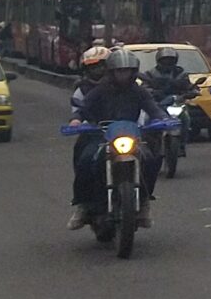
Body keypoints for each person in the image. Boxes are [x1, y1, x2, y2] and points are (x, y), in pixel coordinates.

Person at [66, 47, 165, 228]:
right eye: (119, 70)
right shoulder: (100, 90)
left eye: (126, 70)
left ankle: (144, 202)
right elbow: (83, 108)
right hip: (100, 136)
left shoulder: (139, 91)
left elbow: (152, 107)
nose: (123, 74)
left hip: (132, 136)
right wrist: (75, 120)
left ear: (133, 71)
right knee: (85, 159)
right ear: (112, 71)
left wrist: (163, 119)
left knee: (151, 158)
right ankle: (83, 205)